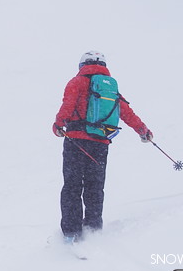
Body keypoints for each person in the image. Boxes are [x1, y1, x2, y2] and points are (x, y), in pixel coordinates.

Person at [52, 51, 153, 244]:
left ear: (82, 65)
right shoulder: (110, 88)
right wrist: (143, 130)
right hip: (100, 144)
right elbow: (126, 112)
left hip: (75, 142)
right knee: (95, 187)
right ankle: (93, 231)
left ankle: (71, 234)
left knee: (72, 187)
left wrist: (58, 124)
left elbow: (67, 105)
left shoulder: (76, 82)